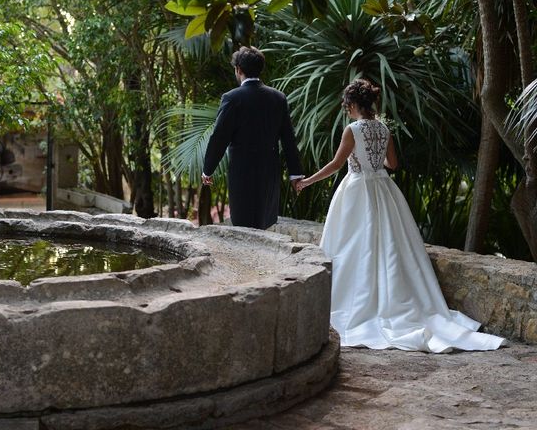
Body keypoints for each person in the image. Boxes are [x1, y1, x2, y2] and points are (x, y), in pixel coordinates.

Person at [296, 78, 506, 353]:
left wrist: (307, 181)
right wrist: (375, 161)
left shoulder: (352, 129)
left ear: (354, 104)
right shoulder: (384, 128)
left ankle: (355, 304)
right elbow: (392, 164)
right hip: (384, 190)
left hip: (357, 190)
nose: (345, 110)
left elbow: (337, 164)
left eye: (347, 105)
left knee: (353, 247)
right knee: (390, 246)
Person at [202, 46, 303, 230]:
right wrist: (295, 174)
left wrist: (208, 170)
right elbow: (288, 139)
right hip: (269, 171)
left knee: (243, 224)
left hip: (242, 171)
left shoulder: (232, 98)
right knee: (263, 222)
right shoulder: (278, 98)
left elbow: (219, 137)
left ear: (238, 69)